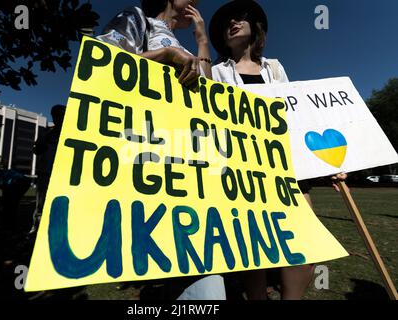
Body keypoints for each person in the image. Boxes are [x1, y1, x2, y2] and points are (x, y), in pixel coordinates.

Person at [209, 0, 346, 300]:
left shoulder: (275, 67)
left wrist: (325, 164)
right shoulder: (218, 71)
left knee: (304, 242)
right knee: (256, 245)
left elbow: (294, 119)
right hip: (244, 168)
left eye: (241, 17)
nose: (233, 22)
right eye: (227, 22)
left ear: (255, 28)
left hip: (286, 167)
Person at [96, 0, 225, 300]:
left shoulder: (182, 42)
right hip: (148, 154)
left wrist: (202, 40)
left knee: (200, 268)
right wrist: (165, 54)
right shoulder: (138, 18)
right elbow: (106, 59)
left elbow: (207, 87)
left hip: (187, 159)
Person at [29, 104, 66, 234]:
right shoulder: (46, 133)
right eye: (58, 114)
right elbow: (36, 150)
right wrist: (44, 140)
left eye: (63, 114)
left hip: (63, 174)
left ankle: (57, 229)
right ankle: (37, 229)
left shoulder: (71, 132)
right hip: (46, 172)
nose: (60, 117)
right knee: (41, 203)